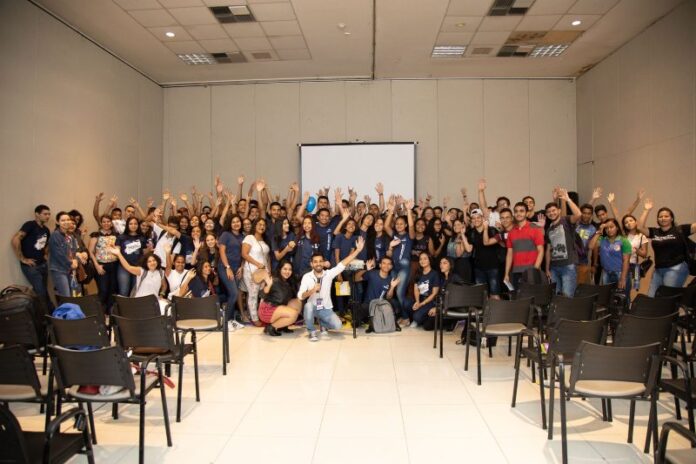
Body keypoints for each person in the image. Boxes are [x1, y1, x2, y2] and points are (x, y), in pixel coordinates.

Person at [297, 237, 365, 342]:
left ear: (323, 263)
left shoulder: (328, 274)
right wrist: (312, 290)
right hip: (313, 308)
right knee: (308, 306)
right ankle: (311, 331)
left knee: (338, 325)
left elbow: (342, 264)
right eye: (315, 262)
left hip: (325, 308)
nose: (318, 264)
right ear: (311, 264)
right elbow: (300, 296)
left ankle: (323, 324)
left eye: (320, 261)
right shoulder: (307, 277)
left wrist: (358, 250)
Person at [638, 199, 696, 296]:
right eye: (660, 216)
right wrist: (646, 210)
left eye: (666, 216)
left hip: (676, 268)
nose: (663, 218)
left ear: (671, 218)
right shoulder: (655, 232)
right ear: (657, 219)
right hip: (658, 270)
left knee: (667, 297)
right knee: (651, 297)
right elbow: (639, 227)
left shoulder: (679, 230)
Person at [11, 205, 52, 310]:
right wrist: (22, 258)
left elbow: (47, 244)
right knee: (41, 293)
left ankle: (52, 314)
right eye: (45, 214)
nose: (48, 216)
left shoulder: (46, 229)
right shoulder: (30, 225)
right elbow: (15, 239)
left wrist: (45, 255)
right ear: (37, 214)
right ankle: (45, 317)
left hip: (42, 264)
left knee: (44, 291)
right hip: (32, 267)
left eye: (49, 214)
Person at [543, 188, 582, 297]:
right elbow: (548, 250)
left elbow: (578, 214)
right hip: (554, 268)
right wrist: (547, 269)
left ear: (559, 211)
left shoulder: (566, 220)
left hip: (568, 266)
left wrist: (567, 199)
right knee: (556, 296)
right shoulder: (549, 229)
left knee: (567, 296)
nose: (551, 213)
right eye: (549, 212)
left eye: (554, 210)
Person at [384, 198, 415, 326]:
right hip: (394, 267)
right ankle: (404, 315)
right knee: (395, 293)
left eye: (402, 224)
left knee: (399, 292)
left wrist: (408, 210)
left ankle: (406, 317)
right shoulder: (394, 236)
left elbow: (412, 226)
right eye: (397, 224)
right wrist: (391, 212)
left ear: (405, 225)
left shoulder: (409, 236)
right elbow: (386, 226)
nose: (399, 225)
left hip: (404, 267)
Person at [109, 247, 169, 313]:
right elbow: (128, 267)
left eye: (154, 260)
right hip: (139, 302)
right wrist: (119, 254)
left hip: (154, 301)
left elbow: (164, 285)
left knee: (168, 308)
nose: (152, 263)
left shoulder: (160, 272)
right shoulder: (141, 271)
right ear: (145, 263)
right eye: (149, 261)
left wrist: (161, 295)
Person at [504, 202, 545, 290]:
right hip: (516, 272)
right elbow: (509, 254)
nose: (518, 213)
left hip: (532, 271)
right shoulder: (511, 232)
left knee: (533, 297)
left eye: (521, 211)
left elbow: (541, 251)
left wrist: (535, 270)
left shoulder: (535, 228)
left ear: (526, 213)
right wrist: (506, 273)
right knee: (518, 297)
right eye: (516, 211)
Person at [355, 256, 401, 329]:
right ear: (380, 265)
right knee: (356, 321)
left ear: (391, 267)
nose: (386, 265)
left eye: (389, 264)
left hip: (381, 306)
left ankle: (375, 319)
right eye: (384, 263)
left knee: (395, 304)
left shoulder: (391, 279)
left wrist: (392, 287)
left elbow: (388, 297)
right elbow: (356, 279)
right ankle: (369, 319)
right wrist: (365, 269)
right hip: (369, 304)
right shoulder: (372, 273)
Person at [258, 260, 301, 336]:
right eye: (285, 269)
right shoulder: (274, 280)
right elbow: (261, 294)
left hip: (278, 308)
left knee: (298, 303)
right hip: (268, 309)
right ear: (280, 269)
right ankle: (271, 327)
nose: (287, 272)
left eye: (290, 269)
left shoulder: (289, 281)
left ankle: (282, 326)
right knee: (294, 314)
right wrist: (268, 285)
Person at [241, 218, 271, 325]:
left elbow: (267, 258)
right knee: (253, 294)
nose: (261, 226)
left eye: (263, 225)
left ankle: (261, 315)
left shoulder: (264, 240)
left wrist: (269, 271)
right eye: (259, 224)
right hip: (251, 271)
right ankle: (254, 318)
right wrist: (257, 264)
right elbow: (244, 254)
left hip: (264, 272)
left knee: (263, 294)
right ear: (255, 225)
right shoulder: (249, 238)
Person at [589, 219, 631, 293]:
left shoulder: (623, 240)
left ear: (617, 227)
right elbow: (590, 246)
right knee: (606, 296)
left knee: (621, 296)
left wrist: (623, 278)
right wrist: (599, 232)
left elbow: (626, 261)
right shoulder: (602, 239)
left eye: (611, 227)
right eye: (606, 228)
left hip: (620, 273)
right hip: (606, 272)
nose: (609, 230)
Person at [467, 210, 501, 299]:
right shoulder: (471, 233)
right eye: (473, 218)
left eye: (478, 217)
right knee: (481, 296)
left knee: (494, 294)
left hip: (493, 266)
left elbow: (486, 243)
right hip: (479, 268)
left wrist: (485, 229)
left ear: (483, 218)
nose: (476, 220)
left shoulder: (492, 230)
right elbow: (469, 249)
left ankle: (497, 309)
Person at [88, 215, 118, 312]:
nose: (106, 223)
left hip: (114, 265)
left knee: (112, 290)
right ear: (101, 223)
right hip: (101, 265)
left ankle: (109, 313)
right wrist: (97, 266)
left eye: (108, 221)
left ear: (111, 223)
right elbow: (90, 251)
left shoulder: (116, 234)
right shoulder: (96, 235)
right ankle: (98, 312)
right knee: (103, 290)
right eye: (104, 222)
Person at [48, 212, 80, 297]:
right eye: (63, 220)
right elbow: (58, 254)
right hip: (59, 270)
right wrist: (71, 263)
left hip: (70, 269)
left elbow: (74, 251)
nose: (66, 222)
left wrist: (75, 260)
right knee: (65, 295)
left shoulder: (71, 236)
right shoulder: (55, 235)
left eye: (68, 220)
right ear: (58, 222)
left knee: (73, 295)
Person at [115, 217, 146, 296]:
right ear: (127, 225)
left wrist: (149, 249)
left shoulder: (142, 237)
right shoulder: (121, 237)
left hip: (137, 267)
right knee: (123, 291)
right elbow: (117, 252)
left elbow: (144, 253)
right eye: (131, 224)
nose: (133, 225)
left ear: (138, 225)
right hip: (123, 267)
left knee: (134, 291)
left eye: (135, 224)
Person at [410, 252, 441, 330]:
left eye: (425, 259)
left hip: (430, 301)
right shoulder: (418, 272)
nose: (422, 261)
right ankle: (419, 316)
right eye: (420, 259)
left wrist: (421, 304)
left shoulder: (434, 274)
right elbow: (416, 289)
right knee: (406, 303)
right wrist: (417, 302)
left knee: (416, 317)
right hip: (420, 299)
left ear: (429, 260)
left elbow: (434, 294)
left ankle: (419, 318)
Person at [622, 214, 649, 292]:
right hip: (620, 264)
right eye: (626, 222)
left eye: (631, 220)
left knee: (627, 288)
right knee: (619, 288)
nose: (628, 223)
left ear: (636, 222)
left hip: (632, 265)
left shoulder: (642, 236)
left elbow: (644, 254)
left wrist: (636, 250)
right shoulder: (623, 235)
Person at [575, 203, 597, 285]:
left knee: (581, 287)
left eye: (589, 213)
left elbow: (594, 248)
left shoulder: (593, 229)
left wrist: (594, 264)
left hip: (583, 262)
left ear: (591, 215)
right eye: (584, 213)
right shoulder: (575, 224)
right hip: (570, 261)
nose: (586, 215)